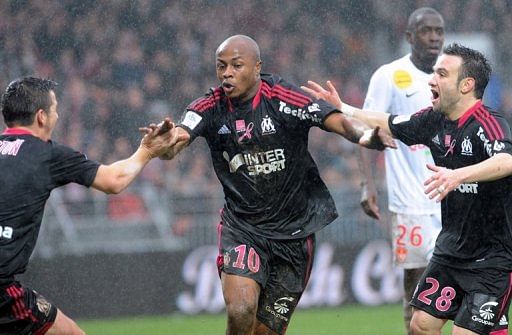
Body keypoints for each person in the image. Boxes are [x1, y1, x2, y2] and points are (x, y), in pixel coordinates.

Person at [159, 34, 395, 335]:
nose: (227, 73)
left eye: (236, 65)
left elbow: (335, 120)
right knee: (241, 309)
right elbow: (178, 137)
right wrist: (165, 143)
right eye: (221, 66)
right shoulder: (210, 106)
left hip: (295, 235)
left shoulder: (284, 98)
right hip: (244, 228)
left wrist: (364, 137)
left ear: (257, 67)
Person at [302, 43, 512, 335]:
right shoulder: (433, 120)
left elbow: (506, 161)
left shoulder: (488, 124)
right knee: (419, 326)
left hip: (491, 258)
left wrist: (458, 176)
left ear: (466, 85)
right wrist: (345, 108)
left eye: (441, 73)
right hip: (451, 251)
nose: (431, 79)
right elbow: (388, 121)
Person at [0, 76, 178, 335]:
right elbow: (113, 181)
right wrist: (147, 151)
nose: (57, 116)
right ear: (41, 116)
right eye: (55, 109)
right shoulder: (47, 154)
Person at [357, 7, 444, 334]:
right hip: (412, 204)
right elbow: (363, 130)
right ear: (409, 36)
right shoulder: (389, 75)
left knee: (460, 288)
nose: (434, 36)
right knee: (417, 291)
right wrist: (368, 184)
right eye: (426, 30)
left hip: (452, 197)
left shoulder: (449, 73)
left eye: (439, 30)